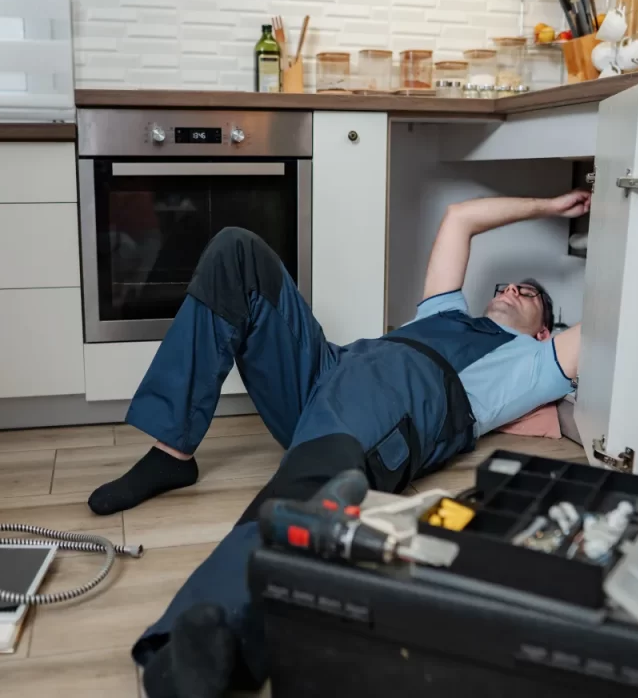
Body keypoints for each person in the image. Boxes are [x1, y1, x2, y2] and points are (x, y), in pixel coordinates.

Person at [87, 191, 591, 698]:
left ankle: (195, 646)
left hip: (391, 406)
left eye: (527, 294)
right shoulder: (445, 310)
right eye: (506, 284)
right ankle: (172, 453)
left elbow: (609, 322)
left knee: (300, 493)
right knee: (235, 251)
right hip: (328, 370)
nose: (510, 289)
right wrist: (549, 206)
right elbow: (461, 217)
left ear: (544, 330)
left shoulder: (532, 363)